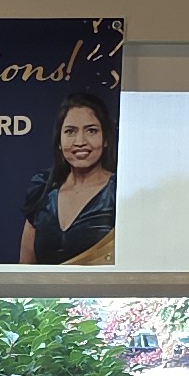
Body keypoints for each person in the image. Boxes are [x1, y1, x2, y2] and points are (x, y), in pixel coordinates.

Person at [17, 96, 119, 264]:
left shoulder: (119, 194)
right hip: (44, 291)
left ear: (106, 138)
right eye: (70, 131)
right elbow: (24, 271)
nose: (80, 142)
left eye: (91, 130)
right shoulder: (42, 190)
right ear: (59, 141)